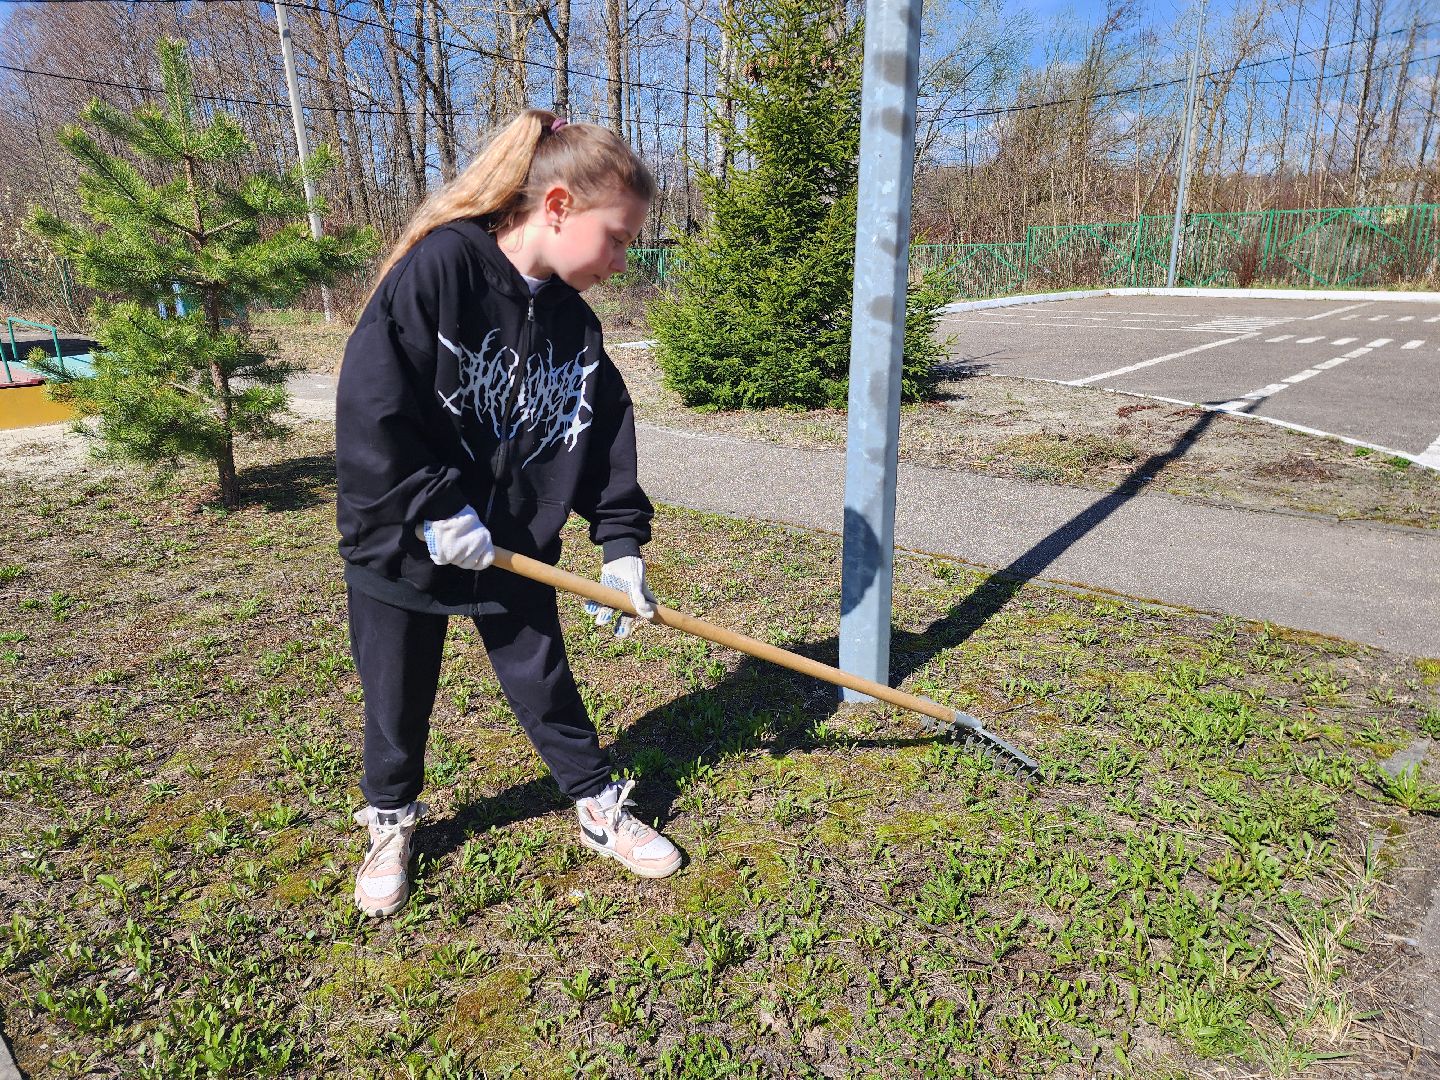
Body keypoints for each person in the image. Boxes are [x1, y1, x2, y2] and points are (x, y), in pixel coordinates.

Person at [336, 108, 681, 920]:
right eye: (619, 237)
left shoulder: (573, 320)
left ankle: (596, 801)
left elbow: (601, 435)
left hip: (511, 546)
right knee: (395, 697)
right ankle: (390, 821)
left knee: (544, 679)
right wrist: (430, 506)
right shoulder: (441, 268)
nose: (624, 259)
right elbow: (374, 403)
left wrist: (621, 543)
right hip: (402, 542)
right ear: (557, 206)